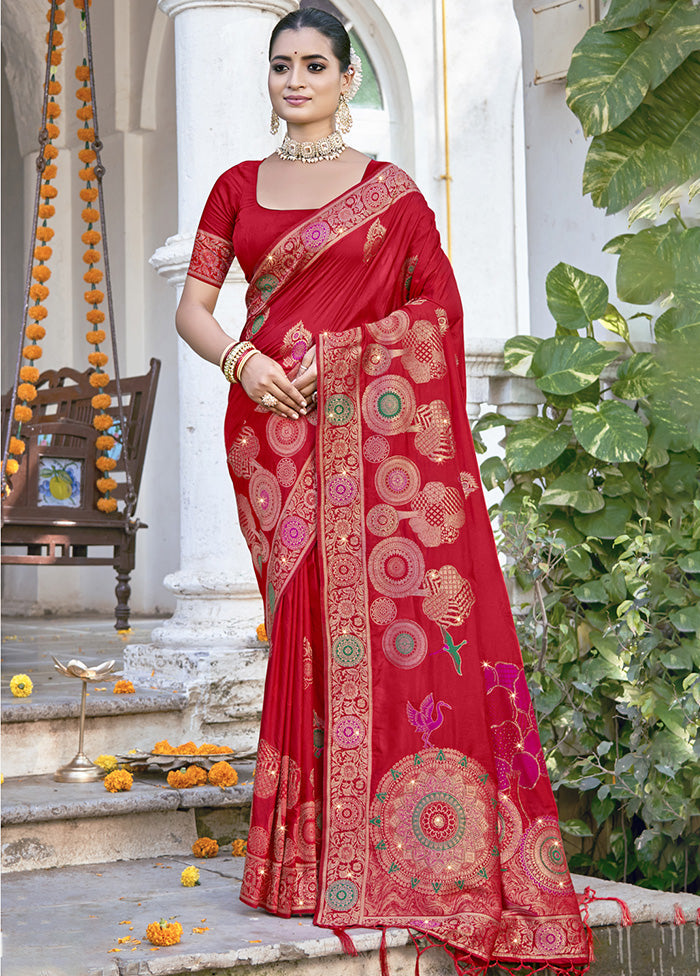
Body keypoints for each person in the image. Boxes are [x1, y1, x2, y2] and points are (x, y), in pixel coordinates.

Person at [175, 8, 591, 974]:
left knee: (384, 618)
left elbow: (436, 313)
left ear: (346, 77)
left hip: (369, 440)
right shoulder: (235, 187)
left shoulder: (391, 194)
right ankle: (305, 860)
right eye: (281, 65)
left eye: (313, 64)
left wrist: (344, 356)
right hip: (271, 436)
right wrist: (242, 362)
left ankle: (371, 857)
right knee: (308, 626)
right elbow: (194, 307)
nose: (294, 80)